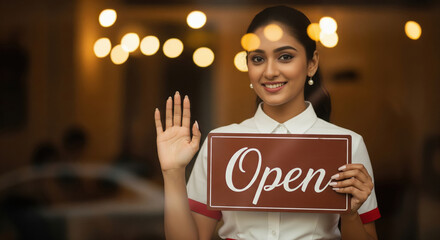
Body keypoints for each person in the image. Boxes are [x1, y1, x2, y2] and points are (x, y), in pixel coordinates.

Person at [154, 5, 380, 240]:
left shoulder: (347, 146)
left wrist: (351, 214)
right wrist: (173, 172)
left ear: (312, 63)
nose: (270, 71)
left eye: (285, 57)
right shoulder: (222, 144)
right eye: (258, 58)